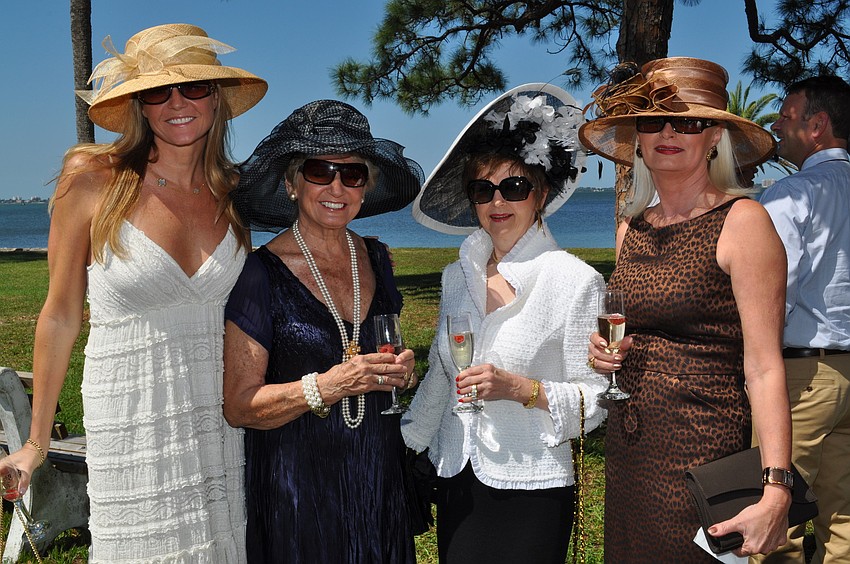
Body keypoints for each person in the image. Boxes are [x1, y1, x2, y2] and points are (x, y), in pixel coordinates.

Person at [0, 23, 267, 561]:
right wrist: (34, 443)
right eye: (157, 91)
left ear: (215, 99)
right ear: (140, 107)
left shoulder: (236, 194)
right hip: (131, 420)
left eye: (193, 87)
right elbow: (59, 316)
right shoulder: (95, 179)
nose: (176, 103)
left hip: (218, 423)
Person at [580, 57, 793, 562]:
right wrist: (602, 354)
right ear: (637, 136)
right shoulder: (630, 229)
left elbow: (764, 367)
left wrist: (777, 487)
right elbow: (632, 332)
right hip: (630, 452)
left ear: (715, 136)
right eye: (653, 120)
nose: (669, 132)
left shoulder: (744, 222)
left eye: (689, 121)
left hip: (703, 458)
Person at [401, 83, 608, 563]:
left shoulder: (575, 281)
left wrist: (520, 388)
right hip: (456, 477)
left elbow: (595, 402)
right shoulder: (457, 277)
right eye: (483, 189)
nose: (498, 203)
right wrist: (406, 444)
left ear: (540, 193)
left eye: (513, 187)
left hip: (532, 489)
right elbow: (440, 373)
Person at [222, 99, 424, 563]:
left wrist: (403, 372)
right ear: (292, 183)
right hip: (299, 491)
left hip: (377, 478)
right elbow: (238, 406)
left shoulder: (376, 259)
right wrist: (330, 386)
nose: (336, 186)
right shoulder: (261, 274)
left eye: (351, 174)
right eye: (320, 170)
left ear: (366, 187)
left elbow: (387, 352)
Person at [752, 76, 850, 564]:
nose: (775, 125)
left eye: (785, 117)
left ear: (818, 126)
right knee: (845, 520)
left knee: (774, 524)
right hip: (848, 374)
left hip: (803, 377)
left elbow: (772, 293)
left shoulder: (794, 195)